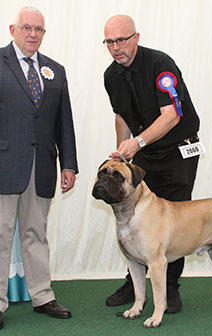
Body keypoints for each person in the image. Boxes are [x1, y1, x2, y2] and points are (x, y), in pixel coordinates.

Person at [103, 15, 200, 314]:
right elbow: (121, 116)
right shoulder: (111, 75)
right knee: (136, 221)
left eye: (121, 39)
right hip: (145, 151)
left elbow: (172, 115)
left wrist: (138, 143)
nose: (116, 47)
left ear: (136, 37)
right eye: (110, 42)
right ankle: (134, 284)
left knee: (175, 222)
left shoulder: (160, 64)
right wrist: (123, 152)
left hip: (177, 150)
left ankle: (171, 287)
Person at [0, 6, 78, 329]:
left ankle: (43, 296)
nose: (33, 34)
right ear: (12, 30)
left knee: (36, 234)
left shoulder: (55, 70)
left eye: (39, 30)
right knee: (1, 236)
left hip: (43, 166)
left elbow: (65, 122)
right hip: (5, 165)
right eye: (27, 28)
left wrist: (69, 163)